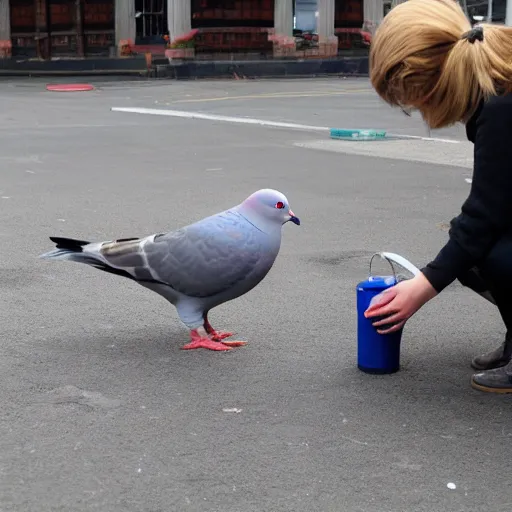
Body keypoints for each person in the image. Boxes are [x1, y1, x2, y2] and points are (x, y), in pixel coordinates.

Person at [364, 0, 512, 393]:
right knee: (470, 252)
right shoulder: (498, 85)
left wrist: (424, 286)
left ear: (427, 82)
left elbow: (487, 215)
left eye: (411, 100)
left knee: (493, 251)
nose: (417, 111)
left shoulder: (501, 108)